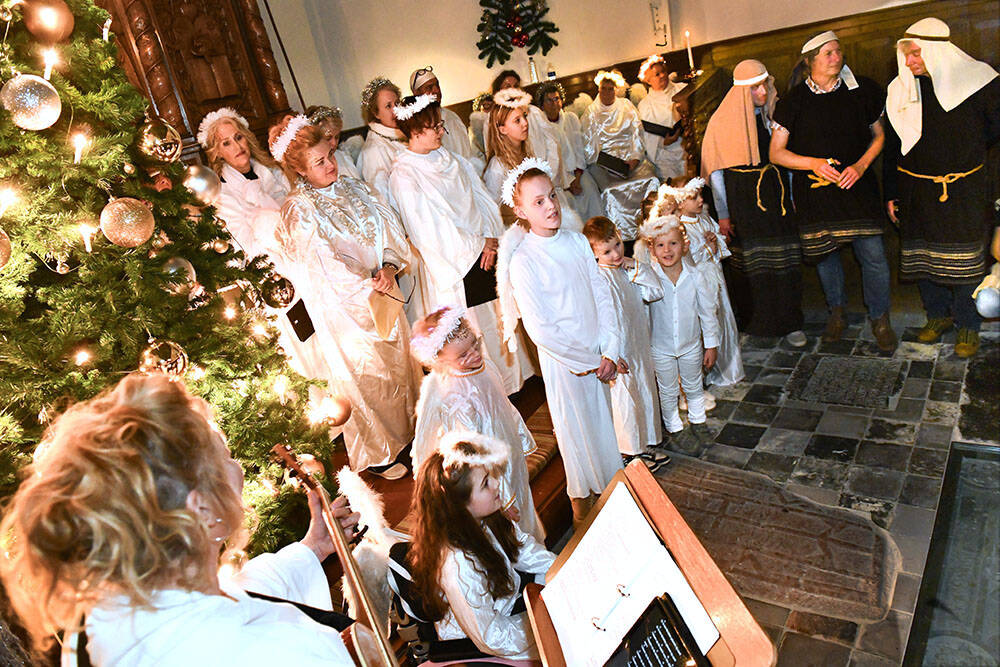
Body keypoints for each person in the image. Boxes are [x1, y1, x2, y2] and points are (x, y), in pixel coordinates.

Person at [0, 373, 361, 665]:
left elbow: (240, 593)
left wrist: (312, 547)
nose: (238, 467)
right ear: (203, 511)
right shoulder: (277, 655)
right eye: (227, 456)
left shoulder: (117, 612)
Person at [272, 115, 421, 479]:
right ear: (301, 170)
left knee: (401, 366)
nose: (330, 164)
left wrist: (388, 267)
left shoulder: (356, 189)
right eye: (319, 162)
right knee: (368, 377)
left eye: (330, 156)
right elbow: (320, 264)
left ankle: (416, 434)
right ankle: (380, 453)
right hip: (346, 310)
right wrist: (369, 281)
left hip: (384, 292)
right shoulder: (299, 208)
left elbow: (389, 229)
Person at [497, 157, 622, 526]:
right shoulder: (524, 261)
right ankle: (584, 509)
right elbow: (541, 329)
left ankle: (616, 497)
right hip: (566, 362)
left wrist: (609, 348)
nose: (550, 205)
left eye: (551, 195)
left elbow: (602, 294)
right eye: (538, 202)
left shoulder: (576, 242)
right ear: (519, 210)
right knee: (577, 434)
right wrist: (587, 359)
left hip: (599, 352)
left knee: (605, 429)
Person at [389, 95, 536, 395]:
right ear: (416, 132)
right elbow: (428, 229)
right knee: (473, 333)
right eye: (435, 127)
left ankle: (510, 386)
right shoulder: (404, 174)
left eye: (441, 125)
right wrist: (478, 245)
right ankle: (487, 391)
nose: (442, 132)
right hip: (457, 264)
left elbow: (482, 200)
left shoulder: (452, 159)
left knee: (496, 324)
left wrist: (493, 240)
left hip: (485, 251)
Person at [199, 107, 335, 417]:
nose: (238, 147)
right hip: (276, 281)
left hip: (308, 268)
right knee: (302, 355)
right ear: (216, 153)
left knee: (327, 345)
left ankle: (341, 412)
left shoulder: (270, 174)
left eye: (238, 137)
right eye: (226, 143)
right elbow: (247, 247)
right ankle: (323, 423)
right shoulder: (223, 195)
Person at [770, 31, 896, 351]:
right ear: (810, 61)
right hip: (817, 191)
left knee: (874, 256)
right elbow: (776, 153)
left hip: (858, 186)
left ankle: (880, 318)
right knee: (826, 257)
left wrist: (861, 166)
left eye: (838, 51)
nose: (836, 57)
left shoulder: (862, 90)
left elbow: (879, 136)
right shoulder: (793, 101)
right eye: (827, 53)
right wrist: (813, 163)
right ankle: (836, 313)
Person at [884, 17, 1000, 358]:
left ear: (938, 51)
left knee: (965, 260)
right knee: (923, 258)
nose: (909, 62)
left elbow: (994, 136)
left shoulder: (983, 84)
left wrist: (967, 168)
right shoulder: (901, 89)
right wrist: (891, 191)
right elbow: (893, 147)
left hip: (965, 189)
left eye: (916, 53)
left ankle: (968, 323)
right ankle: (937, 316)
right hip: (915, 189)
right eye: (906, 55)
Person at [407, 432, 556, 660]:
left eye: (490, 476)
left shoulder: (485, 517)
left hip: (503, 605)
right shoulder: (458, 566)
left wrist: (564, 572)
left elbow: (523, 549)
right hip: (481, 642)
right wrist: (545, 623)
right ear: (460, 507)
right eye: (486, 483)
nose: (497, 484)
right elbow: (492, 637)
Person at [410, 305, 543, 542]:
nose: (474, 354)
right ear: (440, 360)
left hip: (509, 456)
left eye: (474, 343)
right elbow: (472, 457)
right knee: (510, 530)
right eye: (462, 355)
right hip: (490, 476)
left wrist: (521, 438)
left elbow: (504, 406)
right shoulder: (455, 398)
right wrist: (501, 500)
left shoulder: (486, 366)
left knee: (524, 505)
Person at [701, 59, 806, 345]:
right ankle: (753, 323)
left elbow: (787, 161)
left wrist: (794, 198)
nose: (763, 91)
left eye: (764, 85)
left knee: (784, 259)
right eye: (756, 87)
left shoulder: (774, 115)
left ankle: (790, 323)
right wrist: (722, 215)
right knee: (749, 265)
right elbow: (717, 174)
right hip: (743, 200)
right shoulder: (721, 123)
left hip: (776, 196)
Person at [582, 216, 664, 458]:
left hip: (638, 343)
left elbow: (655, 291)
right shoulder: (598, 279)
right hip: (620, 350)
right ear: (594, 254)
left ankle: (645, 442)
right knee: (625, 401)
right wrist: (610, 355)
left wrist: (638, 267)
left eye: (617, 244)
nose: (616, 254)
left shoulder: (627, 269)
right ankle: (630, 453)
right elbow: (596, 322)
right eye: (607, 251)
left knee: (644, 392)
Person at [638, 214, 719, 454]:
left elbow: (707, 312)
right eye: (660, 245)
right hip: (660, 347)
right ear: (652, 249)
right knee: (668, 389)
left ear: (685, 245)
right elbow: (642, 313)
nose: (667, 250)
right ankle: (674, 427)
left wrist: (711, 345)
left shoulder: (696, 276)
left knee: (694, 385)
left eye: (673, 243)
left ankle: (697, 421)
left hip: (691, 344)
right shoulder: (650, 278)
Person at [670, 177, 744, 387]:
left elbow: (722, 245)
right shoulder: (680, 228)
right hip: (700, 283)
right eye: (694, 197)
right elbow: (685, 258)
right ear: (681, 203)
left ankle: (727, 367)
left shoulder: (704, 218)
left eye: (701, 195)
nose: (701, 200)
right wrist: (707, 248)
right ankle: (703, 371)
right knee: (705, 321)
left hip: (716, 276)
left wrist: (717, 241)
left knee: (722, 318)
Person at [483, 87, 584, 232]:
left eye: (524, 116)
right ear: (502, 129)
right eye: (517, 121)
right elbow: (493, 209)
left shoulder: (527, 155)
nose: (525, 123)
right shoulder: (497, 166)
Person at [581, 70, 659, 242]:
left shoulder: (626, 106)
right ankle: (620, 238)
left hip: (631, 157)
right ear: (598, 90)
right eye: (603, 89)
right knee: (610, 190)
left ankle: (654, 229)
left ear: (616, 90)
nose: (607, 93)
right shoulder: (591, 112)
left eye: (611, 89)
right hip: (605, 163)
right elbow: (589, 147)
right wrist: (609, 164)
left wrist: (634, 158)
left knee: (651, 179)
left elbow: (637, 133)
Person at [535, 81, 605, 219]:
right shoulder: (540, 127)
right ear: (542, 105)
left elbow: (579, 149)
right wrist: (564, 183)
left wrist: (577, 178)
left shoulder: (571, 119)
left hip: (577, 171)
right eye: (549, 100)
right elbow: (545, 158)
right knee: (564, 201)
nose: (554, 104)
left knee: (590, 191)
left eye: (557, 99)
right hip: (556, 178)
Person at [409, 65, 485, 171]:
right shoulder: (416, 124)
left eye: (437, 85)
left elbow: (467, 153)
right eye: (429, 88)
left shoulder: (453, 117)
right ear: (416, 93)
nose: (436, 90)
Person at [636, 55, 689, 181]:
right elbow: (646, 136)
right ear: (648, 81)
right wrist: (664, 142)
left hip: (687, 148)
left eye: (663, 71)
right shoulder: (645, 106)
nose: (663, 76)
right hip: (664, 155)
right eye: (657, 74)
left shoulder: (682, 89)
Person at [356, 76, 406, 203]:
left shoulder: (406, 132)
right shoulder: (374, 151)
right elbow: (382, 197)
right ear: (376, 113)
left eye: (397, 103)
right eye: (388, 106)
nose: (396, 110)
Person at [306, 105, 361, 179]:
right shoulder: (310, 167)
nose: (334, 143)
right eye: (328, 138)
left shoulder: (343, 157)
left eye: (337, 137)